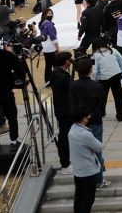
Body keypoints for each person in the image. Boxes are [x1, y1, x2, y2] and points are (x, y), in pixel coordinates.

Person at [68, 58, 108, 189]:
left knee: (80, 152)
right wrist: (91, 116)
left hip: (78, 122)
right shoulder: (98, 86)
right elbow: (101, 106)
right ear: (90, 70)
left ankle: (88, 179)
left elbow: (72, 104)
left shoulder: (73, 86)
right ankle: (98, 180)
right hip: (95, 121)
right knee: (97, 150)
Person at [69, 107, 104, 213]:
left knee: (79, 198)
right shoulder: (85, 134)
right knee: (88, 200)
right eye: (87, 116)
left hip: (78, 171)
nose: (89, 117)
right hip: (88, 172)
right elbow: (99, 147)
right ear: (82, 118)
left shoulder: (72, 130)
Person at [91, 39, 122, 121]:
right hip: (117, 75)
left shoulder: (95, 55)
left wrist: (94, 80)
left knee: (102, 97)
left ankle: (101, 112)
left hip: (103, 78)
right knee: (120, 96)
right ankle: (121, 115)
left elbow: (95, 70)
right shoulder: (114, 50)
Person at [49, 52, 73, 168]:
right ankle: (65, 161)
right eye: (70, 60)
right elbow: (70, 88)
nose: (71, 62)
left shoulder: (57, 73)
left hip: (62, 108)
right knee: (64, 135)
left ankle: (66, 159)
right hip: (65, 109)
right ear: (66, 62)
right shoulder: (61, 76)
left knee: (65, 134)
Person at [39, 8, 60, 84]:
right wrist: (57, 48)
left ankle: (48, 81)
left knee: (48, 65)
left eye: (51, 13)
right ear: (45, 15)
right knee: (56, 65)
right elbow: (53, 37)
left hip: (45, 48)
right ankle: (57, 81)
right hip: (52, 48)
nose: (51, 15)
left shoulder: (42, 24)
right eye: (49, 14)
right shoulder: (49, 25)